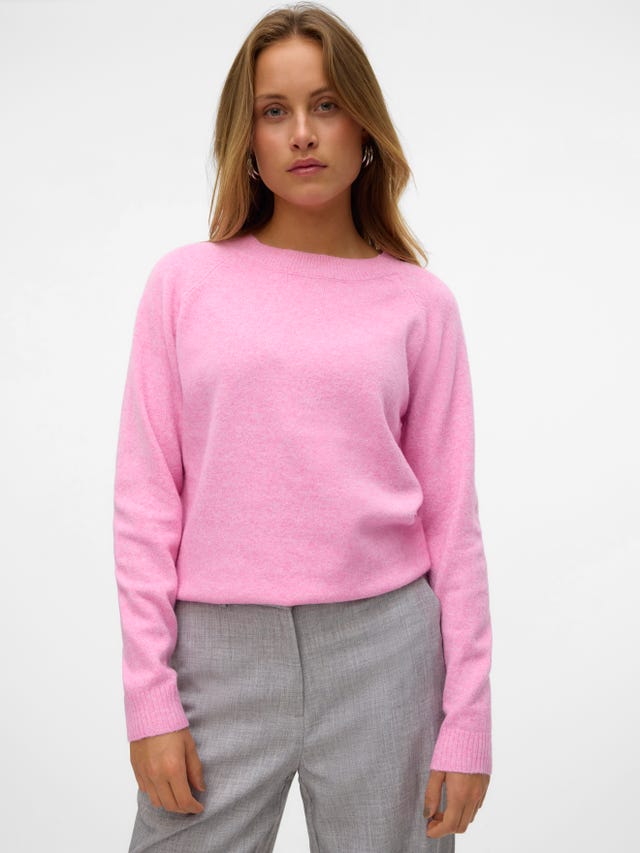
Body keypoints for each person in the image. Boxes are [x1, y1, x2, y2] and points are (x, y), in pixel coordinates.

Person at [112, 3, 493, 851]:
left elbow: (453, 524)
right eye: (274, 111)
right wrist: (149, 698)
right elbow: (145, 503)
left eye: (326, 105)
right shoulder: (183, 286)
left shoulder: (420, 304)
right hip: (217, 655)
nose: (303, 133)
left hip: (386, 655)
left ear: (365, 125)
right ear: (246, 138)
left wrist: (467, 718)